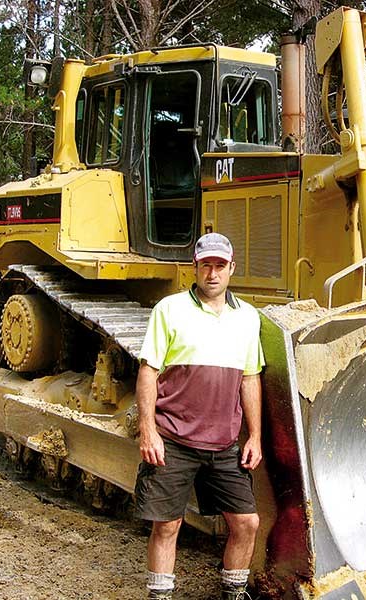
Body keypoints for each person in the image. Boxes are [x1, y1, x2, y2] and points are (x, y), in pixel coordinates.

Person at [134, 232, 264, 600]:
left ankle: (232, 592)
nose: (212, 273)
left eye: (220, 265)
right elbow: (148, 372)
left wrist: (254, 436)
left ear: (231, 269)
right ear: (195, 267)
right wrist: (149, 431)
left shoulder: (247, 318)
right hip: (174, 439)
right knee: (167, 525)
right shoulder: (170, 310)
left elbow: (250, 377)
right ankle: (160, 596)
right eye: (206, 265)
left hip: (224, 444)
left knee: (246, 522)